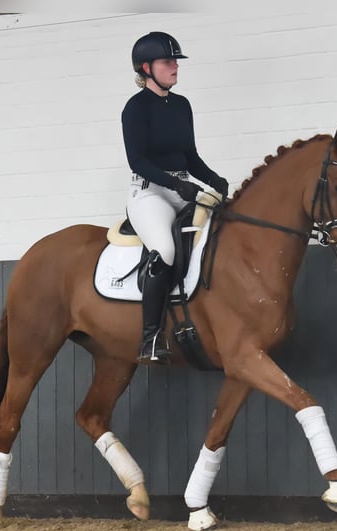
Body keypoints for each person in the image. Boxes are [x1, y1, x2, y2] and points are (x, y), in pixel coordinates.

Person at [122, 31, 229, 365]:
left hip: (183, 188)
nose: (174, 67)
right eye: (168, 62)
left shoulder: (182, 105)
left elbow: (190, 155)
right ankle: (150, 338)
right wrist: (174, 184)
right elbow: (137, 161)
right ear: (146, 68)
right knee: (165, 249)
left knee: (222, 232)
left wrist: (213, 179)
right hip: (149, 192)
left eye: (175, 62)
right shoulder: (135, 109)